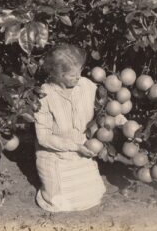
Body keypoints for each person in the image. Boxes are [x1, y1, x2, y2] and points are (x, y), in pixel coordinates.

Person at [33, 44, 106, 212]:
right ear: (58, 74)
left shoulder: (87, 86)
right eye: (72, 75)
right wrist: (75, 147)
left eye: (80, 71)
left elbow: (106, 108)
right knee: (58, 202)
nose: (78, 77)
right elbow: (43, 138)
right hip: (55, 154)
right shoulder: (44, 95)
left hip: (83, 149)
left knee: (93, 196)